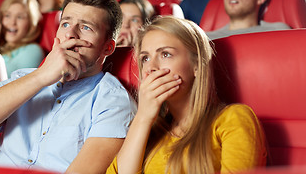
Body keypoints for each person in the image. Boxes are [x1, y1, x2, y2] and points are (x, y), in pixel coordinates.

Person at [0, 0, 137, 174]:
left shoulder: (113, 101)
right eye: (65, 24)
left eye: (86, 27)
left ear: (108, 48)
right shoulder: (24, 78)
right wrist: (40, 77)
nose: (70, 34)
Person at [107, 16, 267, 174]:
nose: (151, 68)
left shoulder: (233, 119)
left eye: (165, 54)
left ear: (197, 65)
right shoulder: (146, 130)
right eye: (145, 58)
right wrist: (143, 117)